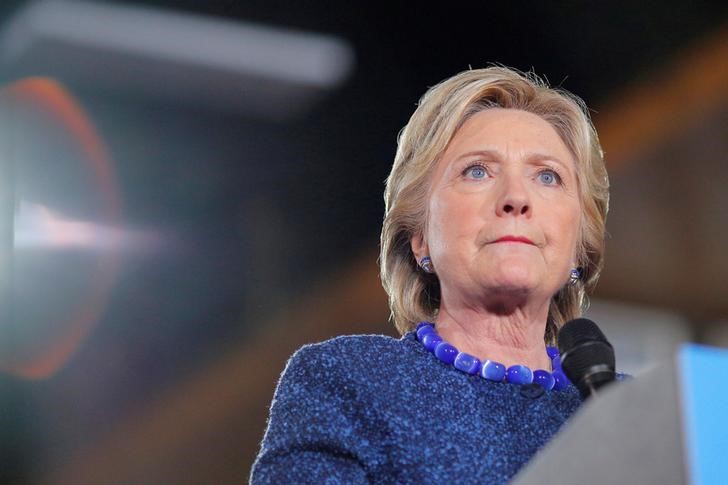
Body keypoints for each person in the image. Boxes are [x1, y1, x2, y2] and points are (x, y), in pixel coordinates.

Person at [250, 66, 610, 483]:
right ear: (419, 237)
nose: (515, 198)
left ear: (580, 246)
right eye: (477, 170)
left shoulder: (632, 407)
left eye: (547, 176)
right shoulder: (349, 381)